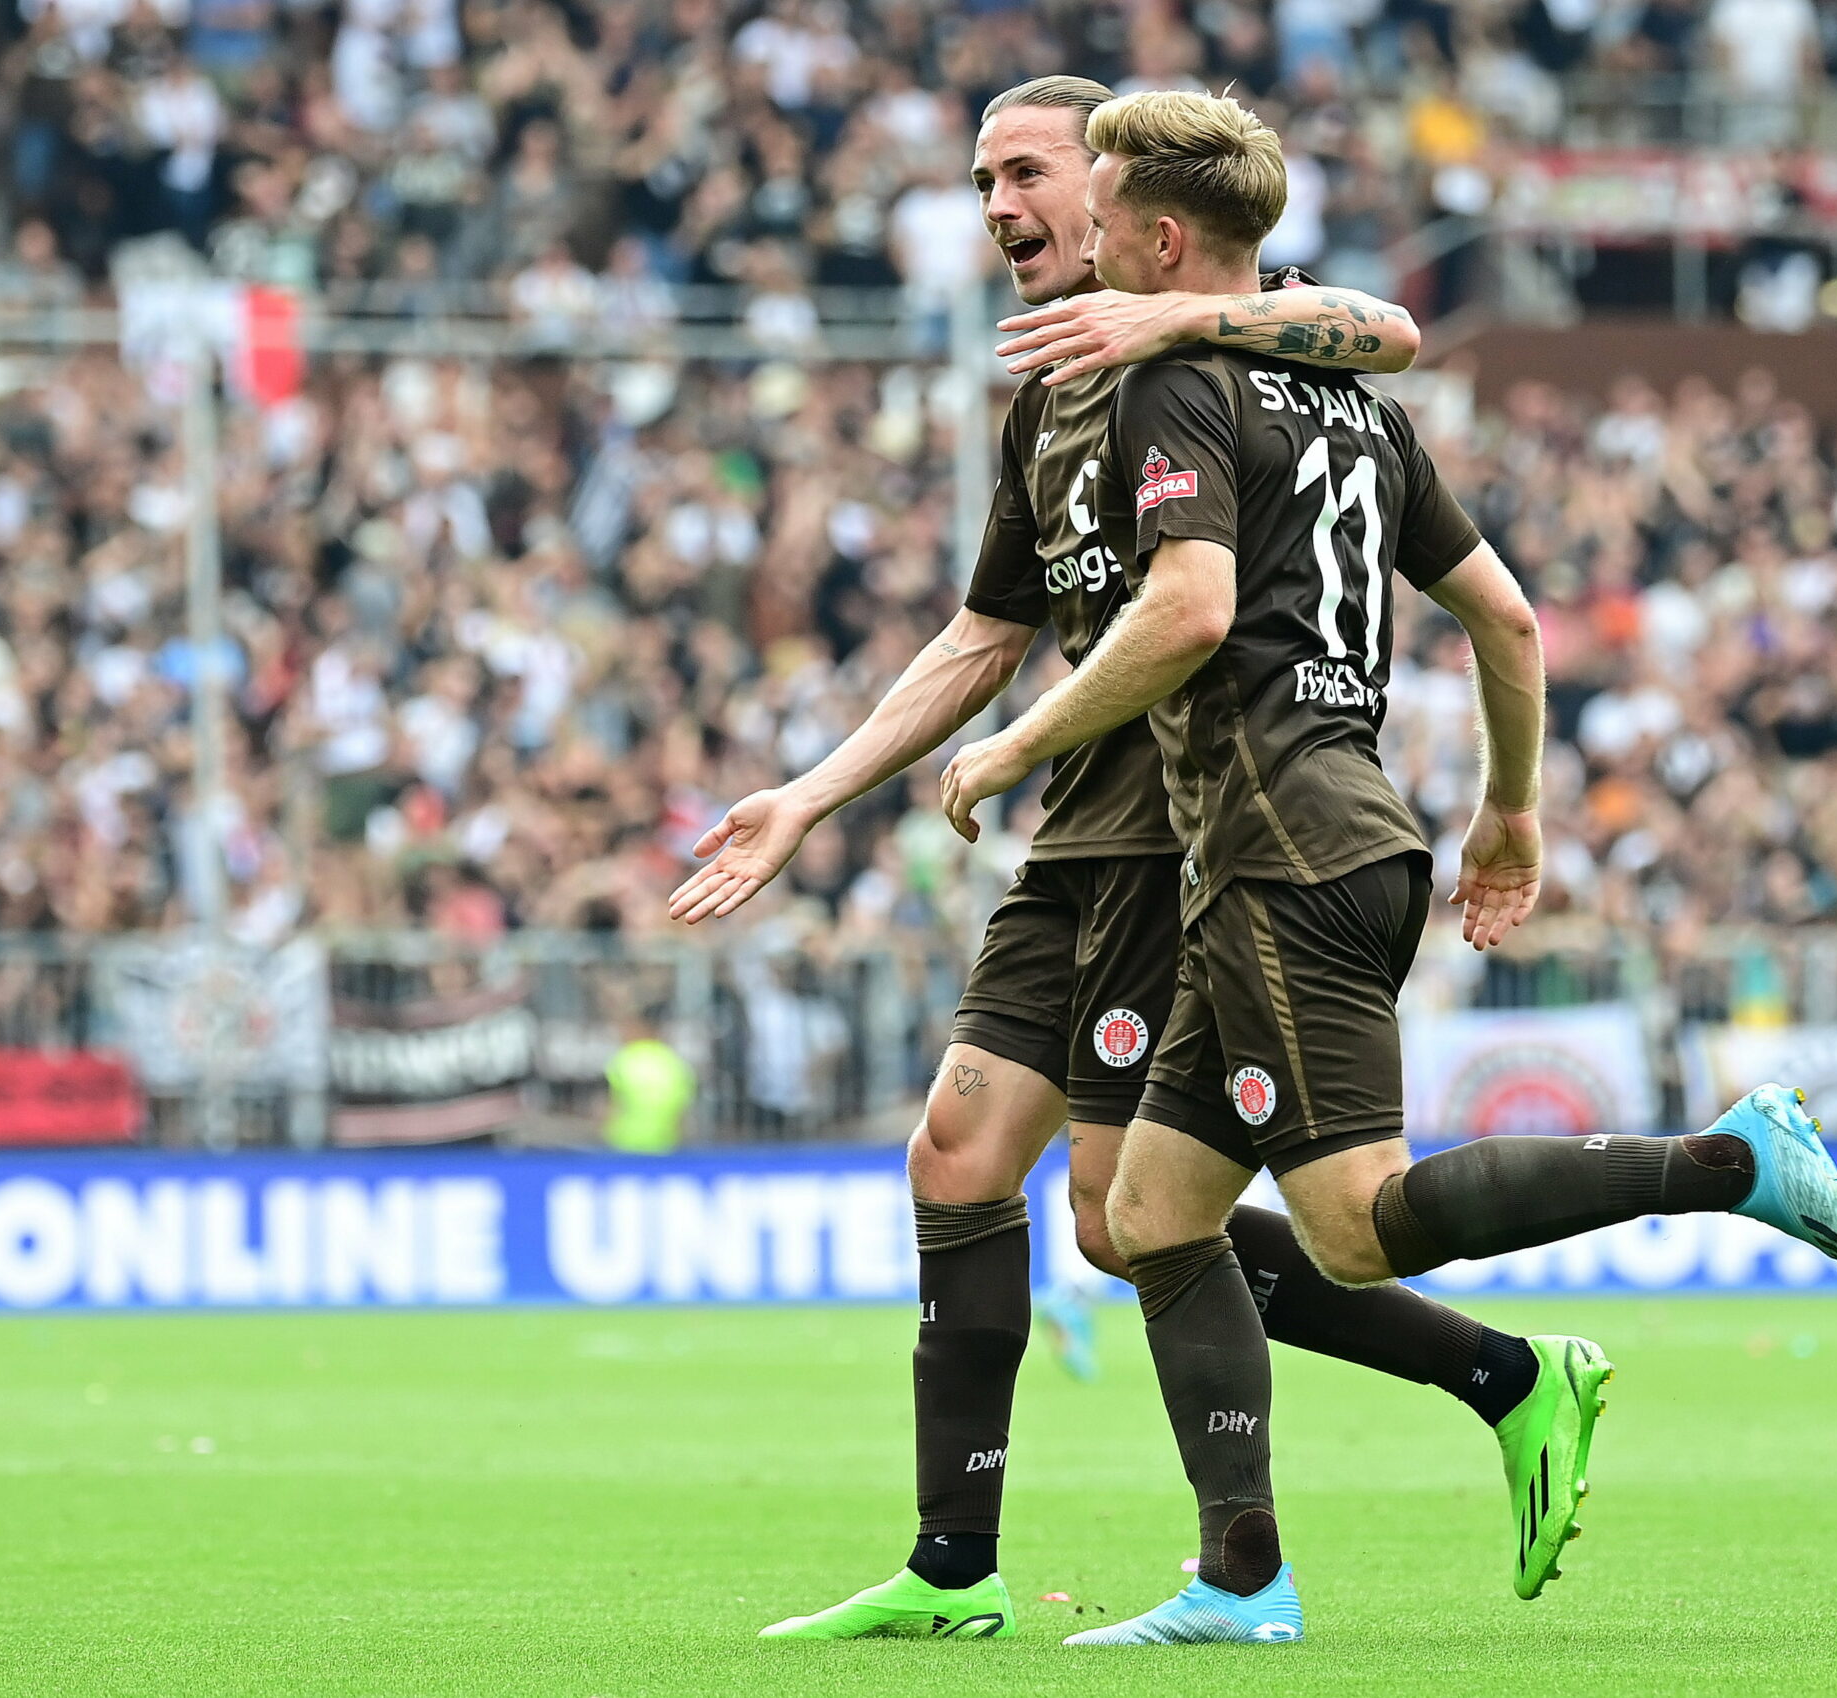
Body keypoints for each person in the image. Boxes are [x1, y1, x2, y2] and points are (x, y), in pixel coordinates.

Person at [937, 89, 1837, 1646]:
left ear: (1162, 238)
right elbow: (1510, 619)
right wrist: (1511, 808)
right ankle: (1243, 1579)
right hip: (1350, 829)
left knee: (1354, 1225)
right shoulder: (1356, 407)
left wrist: (1008, 743)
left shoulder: (1179, 380)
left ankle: (1731, 1162)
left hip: (1275, 853)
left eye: (1097, 209)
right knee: (1154, 1217)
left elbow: (1184, 612)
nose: (1077, 237)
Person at [673, 75, 1515, 1645]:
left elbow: (1387, 334)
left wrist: (1183, 324)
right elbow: (980, 635)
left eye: (1026, 173)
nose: (998, 207)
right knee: (977, 1167)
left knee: (1136, 1216)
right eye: (982, 181)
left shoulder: (1202, 347)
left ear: (1121, 197)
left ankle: (1277, 1543)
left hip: (1180, 836)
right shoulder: (1043, 397)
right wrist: (812, 792)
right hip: (1078, 837)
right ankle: (955, 1567)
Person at [603, 1013, 695, 1153]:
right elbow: (684, 1101)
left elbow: (612, 1103)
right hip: (665, 1140)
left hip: (625, 1140)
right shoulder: (672, 1059)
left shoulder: (625, 1059)